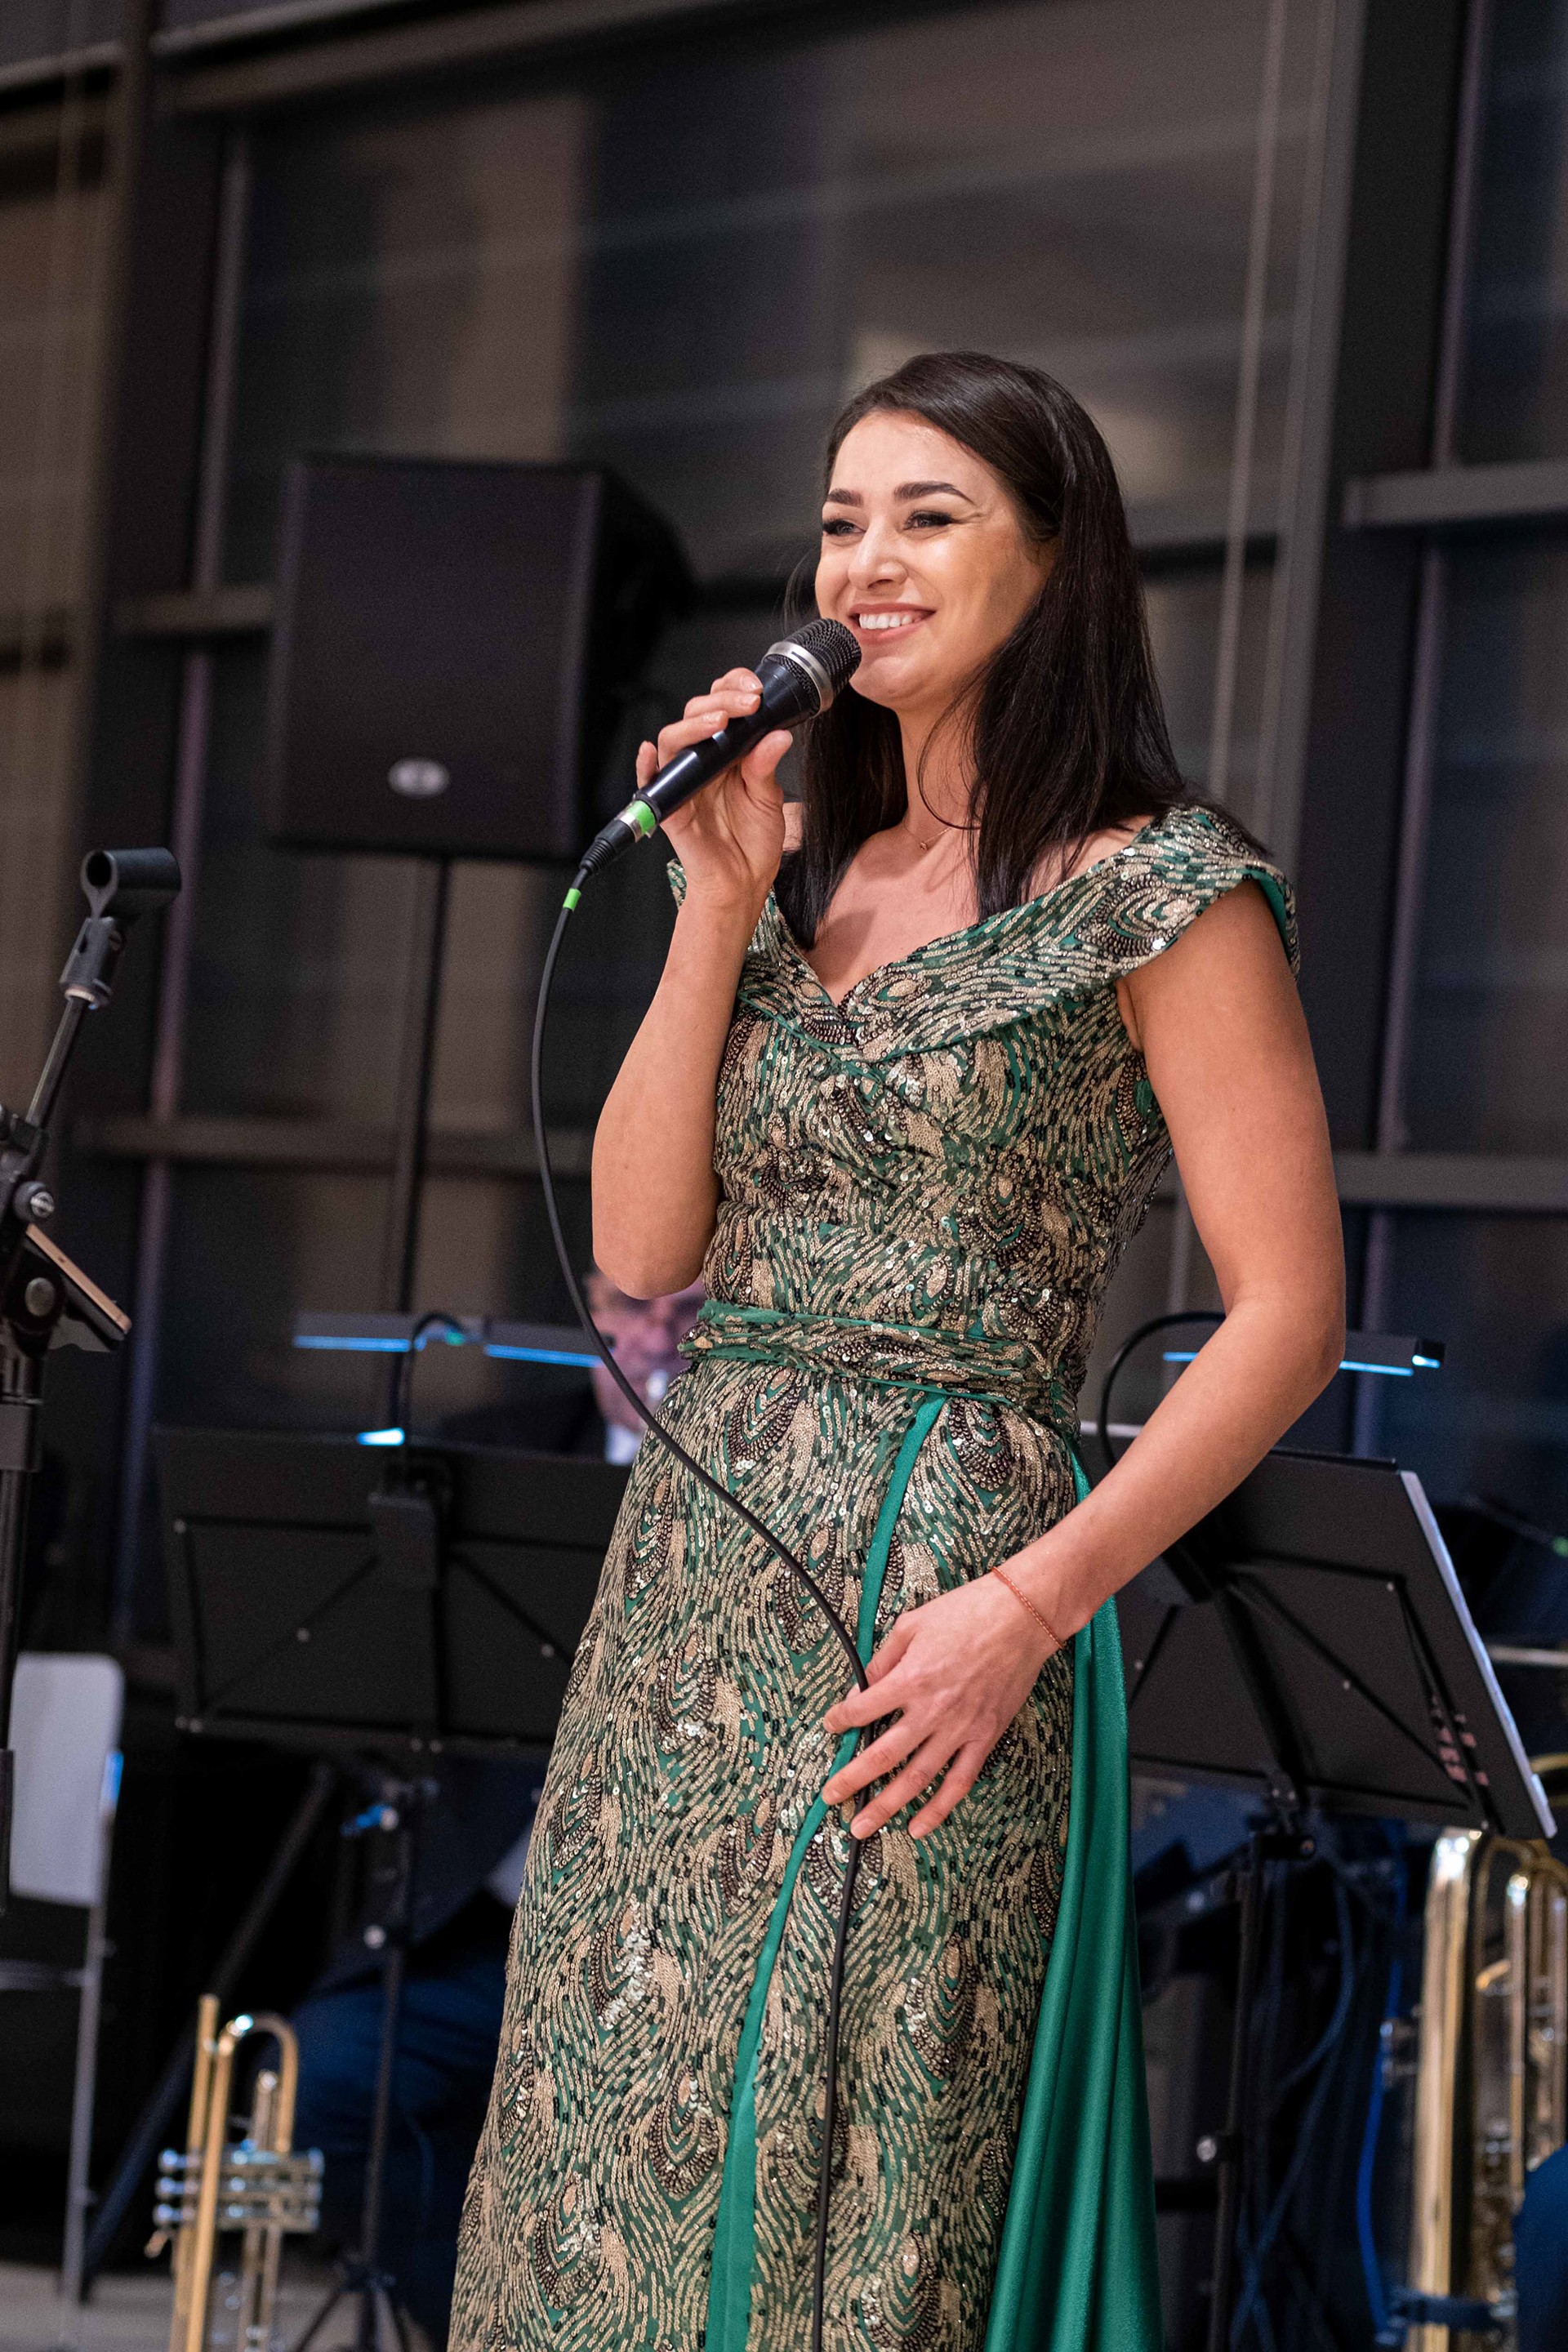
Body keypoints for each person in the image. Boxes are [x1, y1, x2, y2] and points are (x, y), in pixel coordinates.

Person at [450, 350, 1344, 2352]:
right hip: (692, 1591)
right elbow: (643, 1251)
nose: (866, 560)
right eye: (842, 519)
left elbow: (1291, 1316)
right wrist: (715, 899)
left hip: (942, 1591)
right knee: (608, 2132)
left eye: (930, 517)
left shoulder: (1166, 892)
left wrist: (1032, 1608)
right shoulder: (800, 873)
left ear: (1058, 561)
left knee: (865, 2159)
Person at [291, 1276, 702, 2345]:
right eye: (631, 1308)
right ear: (592, 1313)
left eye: (687, 1314)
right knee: (321, 2081)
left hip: (662, 1947)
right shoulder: (498, 1454)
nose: (654, 1338)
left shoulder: (757, 1487)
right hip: (486, 1928)